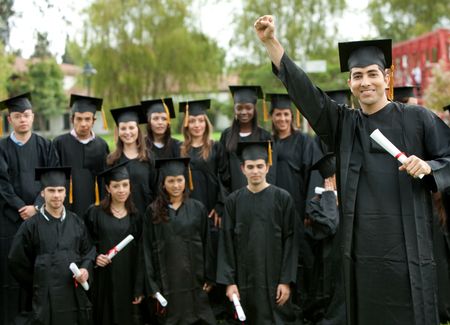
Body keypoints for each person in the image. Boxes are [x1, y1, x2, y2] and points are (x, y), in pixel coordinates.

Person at [255, 15, 450, 324]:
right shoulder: (344, 124)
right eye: (357, 75)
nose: (365, 81)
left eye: (372, 73)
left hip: (410, 253)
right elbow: (307, 93)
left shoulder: (418, 119)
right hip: (363, 256)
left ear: (387, 77)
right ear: (350, 83)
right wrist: (271, 43)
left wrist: (430, 166)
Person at [217, 141, 300, 325]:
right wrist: (229, 283)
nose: (255, 171)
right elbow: (226, 243)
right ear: (242, 169)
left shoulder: (282, 198)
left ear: (268, 167)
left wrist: (286, 281)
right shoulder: (233, 202)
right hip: (244, 282)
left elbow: (290, 242)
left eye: (260, 166)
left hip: (275, 281)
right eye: (251, 167)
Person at [8, 167, 95, 325]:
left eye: (60, 190)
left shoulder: (76, 222)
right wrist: (37, 281)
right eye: (51, 190)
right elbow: (16, 260)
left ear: (65, 192)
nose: (56, 195)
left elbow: (88, 251)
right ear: (42, 193)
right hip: (44, 299)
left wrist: (85, 270)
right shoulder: (31, 226)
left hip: (73, 296)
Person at [0, 92, 59, 323]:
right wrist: (19, 207)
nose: (22, 119)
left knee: (39, 269)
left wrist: (36, 206)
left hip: (39, 218)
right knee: (9, 272)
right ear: (10, 120)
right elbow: (1, 183)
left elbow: (52, 179)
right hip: (8, 219)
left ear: (32, 117)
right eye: (17, 116)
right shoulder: (2, 147)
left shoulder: (45, 145)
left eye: (26, 115)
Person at [142, 157, 217, 325]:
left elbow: (207, 244)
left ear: (185, 180)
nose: (176, 185)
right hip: (166, 282)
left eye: (179, 180)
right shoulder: (152, 211)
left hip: (195, 281)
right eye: (171, 181)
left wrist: (209, 276)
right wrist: (152, 286)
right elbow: (146, 249)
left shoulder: (197, 208)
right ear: (163, 183)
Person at [267, 92, 321, 317]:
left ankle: (306, 304)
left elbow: (314, 174)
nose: (282, 119)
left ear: (292, 116)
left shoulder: (304, 141)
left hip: (299, 207)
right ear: (271, 117)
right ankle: (283, 304)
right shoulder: (267, 143)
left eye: (286, 114)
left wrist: (310, 207)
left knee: (303, 255)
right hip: (274, 210)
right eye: (278, 114)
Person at [179, 99, 229, 319]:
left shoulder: (216, 147)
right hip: (189, 211)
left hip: (210, 210)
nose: (197, 124)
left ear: (206, 122)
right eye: (193, 120)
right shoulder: (180, 149)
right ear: (186, 124)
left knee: (212, 253)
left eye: (201, 120)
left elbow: (225, 178)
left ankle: (215, 302)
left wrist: (219, 205)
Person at [84, 162, 144, 325]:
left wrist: (139, 286)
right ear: (108, 188)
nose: (121, 190)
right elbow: (85, 243)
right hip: (104, 278)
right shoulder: (94, 213)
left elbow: (141, 253)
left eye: (125, 185)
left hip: (128, 278)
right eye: (116, 186)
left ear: (130, 187)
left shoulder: (136, 216)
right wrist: (95, 257)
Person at [53, 94, 110, 216]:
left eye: (87, 119)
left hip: (95, 206)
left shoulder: (102, 145)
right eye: (79, 119)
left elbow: (105, 179)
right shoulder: (59, 143)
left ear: (94, 120)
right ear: (72, 119)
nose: (83, 124)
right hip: (67, 207)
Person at [219, 85, 273, 192]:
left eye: (248, 108)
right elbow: (222, 170)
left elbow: (270, 171)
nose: (244, 112)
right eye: (239, 108)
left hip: (260, 194)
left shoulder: (264, 136)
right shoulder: (227, 135)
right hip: (233, 196)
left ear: (254, 109)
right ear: (234, 109)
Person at [108, 105, 158, 215]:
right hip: (121, 217)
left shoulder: (149, 158)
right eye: (123, 128)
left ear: (138, 130)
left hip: (146, 214)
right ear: (118, 131)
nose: (127, 132)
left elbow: (156, 189)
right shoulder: (112, 160)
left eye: (131, 127)